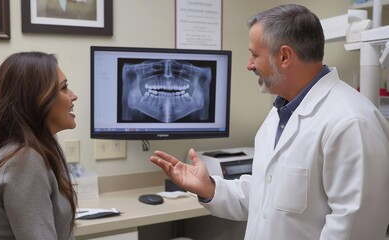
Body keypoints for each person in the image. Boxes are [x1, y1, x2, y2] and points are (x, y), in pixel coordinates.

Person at [150, 4, 389, 240]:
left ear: (284, 56)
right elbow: (265, 197)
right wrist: (209, 188)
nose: (249, 64)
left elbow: (355, 231)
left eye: (255, 54)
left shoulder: (351, 122)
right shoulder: (280, 112)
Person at [0, 52, 78, 239]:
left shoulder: (9, 153)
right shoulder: (24, 161)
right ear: (38, 99)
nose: (74, 96)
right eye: (64, 88)